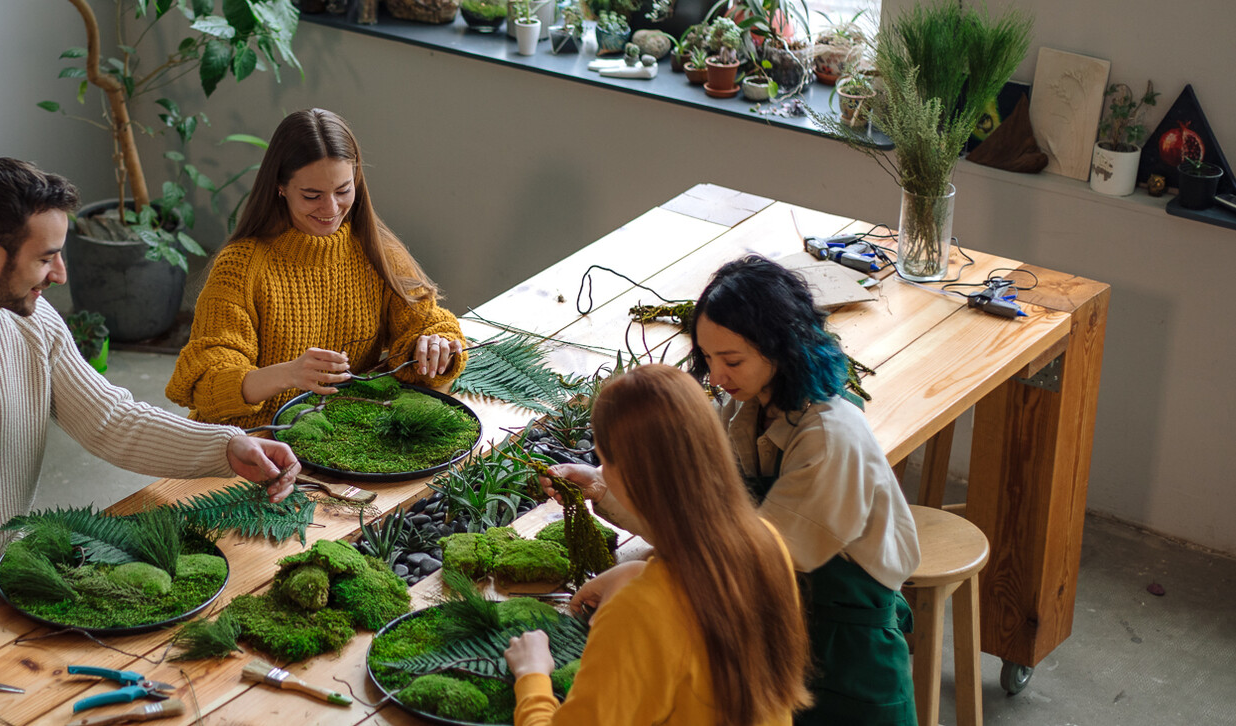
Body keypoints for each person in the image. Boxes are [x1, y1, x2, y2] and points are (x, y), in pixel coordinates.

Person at [0, 158, 301, 648]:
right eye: (47, 257)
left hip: (1, 587)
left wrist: (229, 446)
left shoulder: (34, 324)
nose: (61, 274)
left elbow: (112, 420)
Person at [549, 255, 920, 725]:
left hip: (851, 651)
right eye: (707, 358)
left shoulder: (829, 439)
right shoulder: (744, 410)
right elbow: (712, 522)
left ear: (782, 346)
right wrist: (604, 490)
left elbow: (744, 557)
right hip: (782, 632)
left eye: (732, 360)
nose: (717, 376)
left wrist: (633, 576)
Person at [504, 364, 811, 726]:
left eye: (604, 461)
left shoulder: (638, 611)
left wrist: (532, 676)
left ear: (631, 476)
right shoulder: (764, 542)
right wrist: (640, 570)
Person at [167, 108, 467, 429]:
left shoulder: (376, 250)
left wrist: (435, 344)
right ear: (280, 187)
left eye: (343, 190)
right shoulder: (241, 266)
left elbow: (426, 322)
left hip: (338, 435)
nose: (331, 208)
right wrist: (289, 374)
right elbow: (206, 381)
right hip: (249, 441)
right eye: (312, 195)